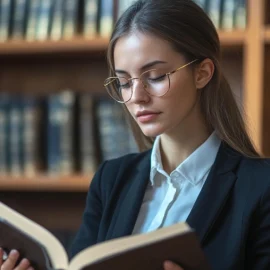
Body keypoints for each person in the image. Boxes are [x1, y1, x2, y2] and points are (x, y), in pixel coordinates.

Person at [1, 0, 270, 269]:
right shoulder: (111, 180)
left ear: (202, 73)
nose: (136, 97)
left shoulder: (260, 187)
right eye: (124, 82)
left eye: (154, 76)